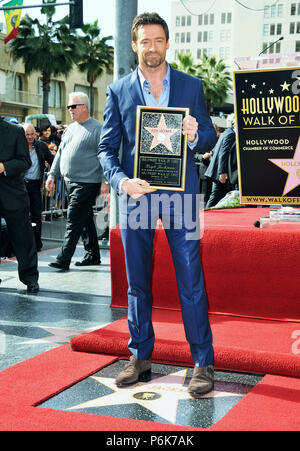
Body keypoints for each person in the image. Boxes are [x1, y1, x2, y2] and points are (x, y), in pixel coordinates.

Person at [98, 13, 217, 396]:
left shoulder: (191, 86)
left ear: (168, 43)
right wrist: (121, 182)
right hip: (138, 197)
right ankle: (140, 356)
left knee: (191, 278)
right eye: (145, 41)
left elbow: (210, 138)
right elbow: (107, 149)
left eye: (158, 40)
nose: (152, 47)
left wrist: (197, 133)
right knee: (137, 283)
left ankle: (202, 362)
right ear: (135, 45)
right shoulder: (118, 91)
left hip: (182, 196)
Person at [46, 92, 108, 270]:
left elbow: (106, 155)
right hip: (69, 181)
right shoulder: (70, 129)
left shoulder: (98, 128)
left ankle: (63, 259)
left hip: (87, 183)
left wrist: (105, 179)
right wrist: (52, 175)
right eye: (68, 107)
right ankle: (93, 256)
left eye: (73, 106)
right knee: (85, 219)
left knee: (73, 220)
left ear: (84, 107)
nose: (70, 110)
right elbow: (60, 153)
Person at [0, 106, 39, 293]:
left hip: (13, 195)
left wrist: (3, 166)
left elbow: (25, 161)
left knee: (23, 239)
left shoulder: (15, 131)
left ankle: (30, 278)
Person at [23, 123, 54, 251]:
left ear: (36, 134)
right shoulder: (18, 146)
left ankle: (37, 243)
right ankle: (23, 244)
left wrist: (52, 175)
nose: (30, 137)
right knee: (22, 215)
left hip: (35, 186)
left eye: (32, 134)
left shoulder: (41, 146)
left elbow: (53, 160)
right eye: (27, 134)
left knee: (36, 215)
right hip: (21, 185)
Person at [205, 115, 236, 208]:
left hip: (217, 171)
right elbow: (223, 153)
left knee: (220, 198)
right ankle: (205, 216)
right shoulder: (231, 134)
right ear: (234, 123)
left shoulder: (227, 132)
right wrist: (222, 172)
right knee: (215, 198)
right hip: (219, 173)